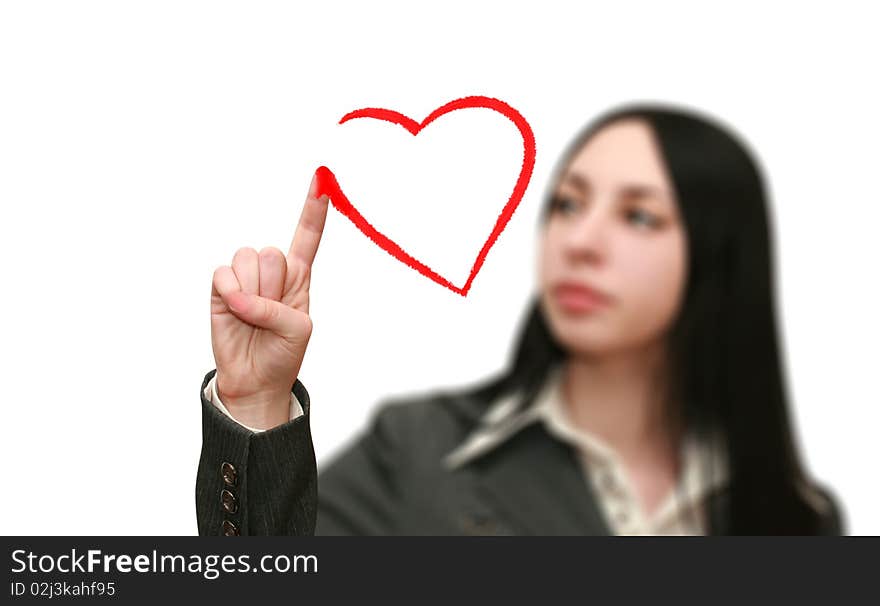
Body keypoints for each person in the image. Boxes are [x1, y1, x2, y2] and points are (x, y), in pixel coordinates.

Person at [195, 102, 846, 536]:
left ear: (719, 256)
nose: (580, 241)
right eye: (567, 204)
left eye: (639, 215)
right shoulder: (420, 451)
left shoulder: (795, 519)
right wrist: (257, 406)